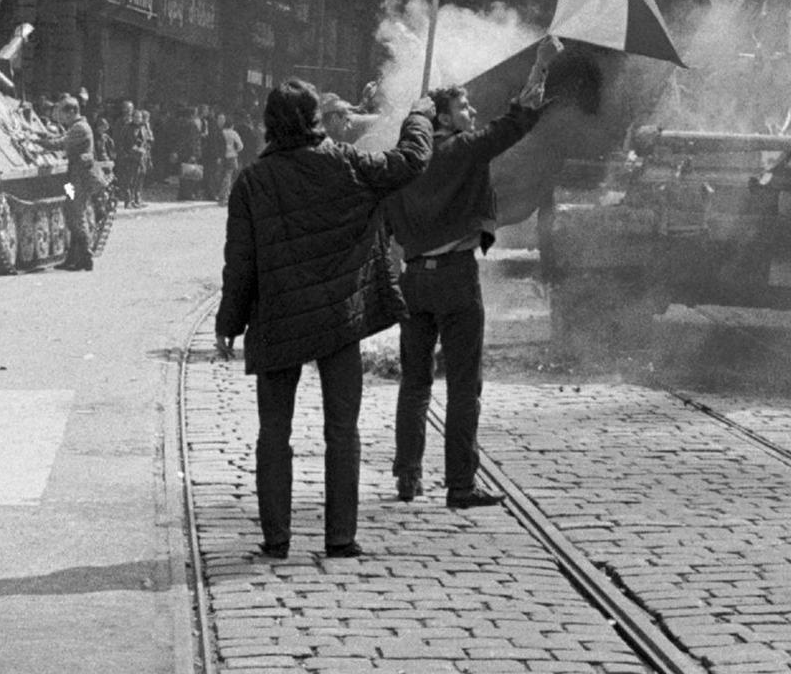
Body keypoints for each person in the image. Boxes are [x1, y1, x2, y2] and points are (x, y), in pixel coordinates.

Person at [215, 80, 434, 560]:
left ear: (270, 124)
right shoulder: (347, 163)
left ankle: (276, 539)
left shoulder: (252, 181)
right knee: (343, 429)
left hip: (278, 319)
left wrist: (228, 323)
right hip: (339, 317)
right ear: (316, 119)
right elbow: (409, 162)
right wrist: (419, 116)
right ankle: (340, 537)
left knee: (274, 432)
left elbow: (241, 262)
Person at [384, 37, 560, 509]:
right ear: (441, 118)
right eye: (464, 107)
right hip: (456, 280)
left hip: (414, 280)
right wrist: (540, 67)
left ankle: (407, 476)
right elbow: (516, 122)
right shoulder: (461, 150)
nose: (472, 113)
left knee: (414, 382)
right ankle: (460, 485)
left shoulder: (403, 160)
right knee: (464, 384)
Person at [38, 96, 101, 271]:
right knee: (71, 212)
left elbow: (61, 143)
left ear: (73, 111)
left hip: (78, 178)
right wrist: (42, 135)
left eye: (64, 113)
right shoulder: (77, 126)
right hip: (73, 177)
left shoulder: (80, 127)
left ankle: (85, 257)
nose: (61, 118)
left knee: (76, 213)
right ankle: (73, 257)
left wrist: (39, 142)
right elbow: (61, 137)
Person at [203, 112, 242, 202]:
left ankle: (221, 193)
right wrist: (235, 150)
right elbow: (240, 146)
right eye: (220, 119)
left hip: (222, 156)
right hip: (229, 156)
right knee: (227, 175)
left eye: (223, 119)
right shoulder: (232, 133)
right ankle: (223, 194)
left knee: (221, 175)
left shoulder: (221, 132)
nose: (222, 121)